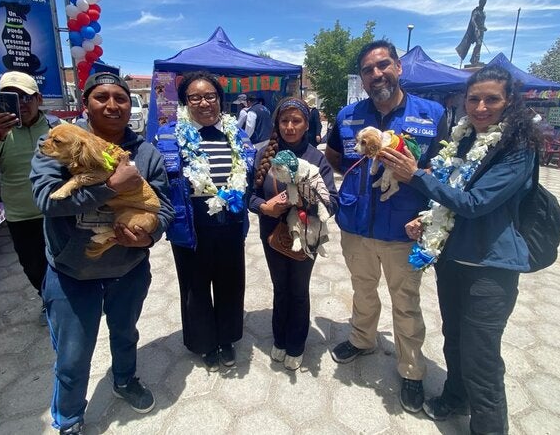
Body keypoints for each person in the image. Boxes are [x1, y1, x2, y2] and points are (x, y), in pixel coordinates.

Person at [389, 65, 542, 434]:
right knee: (455, 340)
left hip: (490, 267)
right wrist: (426, 219)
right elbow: (450, 191)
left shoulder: (516, 148)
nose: (481, 107)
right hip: (452, 260)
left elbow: (474, 202)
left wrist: (417, 176)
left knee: (482, 359)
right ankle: (456, 397)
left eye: (492, 99)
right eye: (474, 99)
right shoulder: (463, 140)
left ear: (509, 102)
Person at [30, 72, 174, 435]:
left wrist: (148, 236)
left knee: (125, 334)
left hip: (128, 269)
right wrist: (111, 187)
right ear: (86, 104)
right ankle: (70, 418)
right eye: (101, 97)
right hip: (72, 273)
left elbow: (166, 208)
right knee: (73, 355)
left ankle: (124, 381)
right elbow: (46, 200)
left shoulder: (145, 153)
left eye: (120, 98)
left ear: (130, 105)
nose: (112, 105)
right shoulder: (61, 142)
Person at [324, 40, 447, 412]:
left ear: (398, 68)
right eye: (368, 70)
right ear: (361, 78)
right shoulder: (348, 116)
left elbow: (446, 168)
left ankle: (411, 371)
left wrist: (415, 175)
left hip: (403, 229)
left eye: (383, 65)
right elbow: (333, 154)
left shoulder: (431, 113)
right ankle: (363, 339)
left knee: (405, 303)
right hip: (356, 226)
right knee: (362, 290)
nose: (376, 74)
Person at [157, 71, 256, 372]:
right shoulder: (169, 136)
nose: (204, 103)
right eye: (195, 97)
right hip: (191, 228)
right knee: (195, 287)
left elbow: (248, 174)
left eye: (210, 96)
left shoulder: (235, 134)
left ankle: (226, 338)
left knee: (230, 283)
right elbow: (158, 181)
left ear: (219, 99)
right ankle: (204, 343)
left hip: (229, 225)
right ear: (186, 102)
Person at [249, 97, 338, 370]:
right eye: (284, 121)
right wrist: (265, 207)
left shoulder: (316, 158)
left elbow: (332, 201)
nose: (289, 127)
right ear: (277, 123)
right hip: (272, 234)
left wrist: (304, 199)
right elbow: (248, 197)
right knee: (280, 287)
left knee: (298, 289)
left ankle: (296, 344)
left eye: (296, 121)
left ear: (306, 124)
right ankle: (279, 339)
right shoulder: (263, 154)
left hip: (306, 235)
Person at [0, 70, 58, 326]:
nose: (21, 105)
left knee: (66, 261)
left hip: (59, 211)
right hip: (21, 215)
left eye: (26, 97)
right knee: (34, 266)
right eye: (11, 98)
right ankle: (47, 301)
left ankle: (72, 301)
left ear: (38, 99)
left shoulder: (56, 127)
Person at [455, 0, 487, 66]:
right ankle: (474, 59)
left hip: (481, 31)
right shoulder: (475, 11)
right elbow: (473, 20)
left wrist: (484, 27)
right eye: (483, 2)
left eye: (485, 2)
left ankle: (475, 59)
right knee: (478, 44)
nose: (484, 4)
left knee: (479, 45)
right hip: (475, 30)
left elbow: (482, 21)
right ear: (480, 3)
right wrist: (476, 28)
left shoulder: (483, 12)